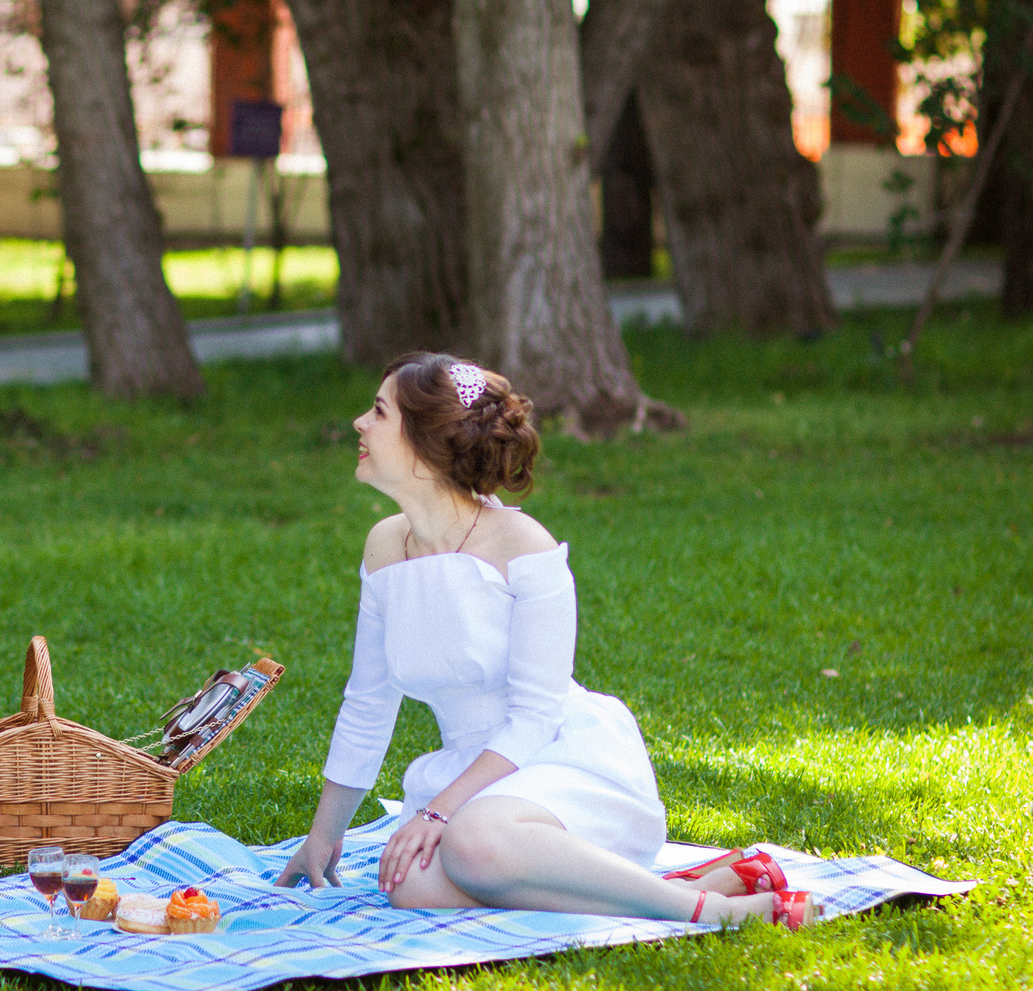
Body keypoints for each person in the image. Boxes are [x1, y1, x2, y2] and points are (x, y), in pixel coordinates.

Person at [273, 352, 808, 928]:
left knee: (471, 842)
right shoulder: (384, 546)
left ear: (426, 442)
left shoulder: (522, 543)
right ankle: (687, 884)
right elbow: (369, 702)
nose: (359, 423)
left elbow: (535, 715)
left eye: (378, 412)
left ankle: (712, 911)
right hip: (469, 770)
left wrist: (439, 811)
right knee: (409, 885)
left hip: (556, 754)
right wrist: (323, 838)